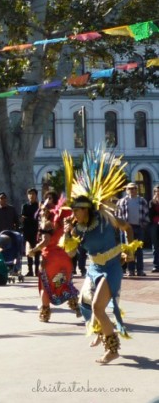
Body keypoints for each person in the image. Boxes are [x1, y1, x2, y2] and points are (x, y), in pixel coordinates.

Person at [62, 148, 139, 364]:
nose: (73, 214)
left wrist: (130, 251)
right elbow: (69, 253)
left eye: (77, 210)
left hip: (112, 267)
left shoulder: (106, 219)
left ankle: (112, 347)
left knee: (97, 307)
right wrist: (68, 234)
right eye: (73, 210)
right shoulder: (78, 229)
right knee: (84, 304)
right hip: (94, 268)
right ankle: (100, 330)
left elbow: (129, 230)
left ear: (87, 209)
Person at [27, 192, 79, 322]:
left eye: (43, 210)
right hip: (64, 258)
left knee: (45, 286)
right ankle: (76, 305)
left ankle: (45, 313)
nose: (41, 212)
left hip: (49, 260)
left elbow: (45, 241)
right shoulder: (62, 219)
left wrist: (33, 250)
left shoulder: (47, 223)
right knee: (63, 283)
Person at [115, 182, 149, 276]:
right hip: (126, 228)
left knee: (139, 250)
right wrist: (121, 226)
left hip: (139, 227)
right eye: (130, 188)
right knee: (127, 250)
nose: (132, 190)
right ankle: (130, 270)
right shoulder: (121, 201)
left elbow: (146, 214)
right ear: (126, 190)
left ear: (137, 190)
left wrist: (144, 225)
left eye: (134, 188)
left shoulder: (142, 200)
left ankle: (140, 270)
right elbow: (117, 215)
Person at [20, 188, 40, 277]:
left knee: (37, 251)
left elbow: (38, 219)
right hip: (27, 231)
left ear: (36, 195)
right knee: (29, 251)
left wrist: (28, 219)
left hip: (36, 232)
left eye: (33, 194)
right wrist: (30, 219)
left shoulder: (39, 206)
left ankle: (37, 270)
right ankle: (30, 270)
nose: (31, 196)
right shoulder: (25, 206)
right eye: (30, 194)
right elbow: (23, 218)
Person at [148, 185, 159, 273]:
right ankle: (156, 265)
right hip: (154, 225)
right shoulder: (152, 202)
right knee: (155, 246)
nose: (157, 193)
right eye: (156, 191)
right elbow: (150, 214)